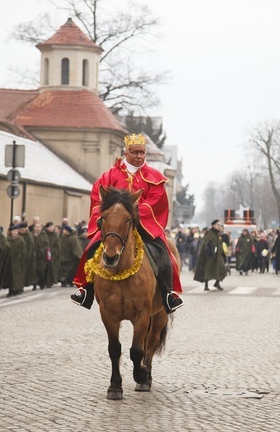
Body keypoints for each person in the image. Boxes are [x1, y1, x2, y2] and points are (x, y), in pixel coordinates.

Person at [71, 133, 183, 313]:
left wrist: (134, 213)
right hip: (115, 227)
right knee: (90, 249)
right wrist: (104, 216)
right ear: (126, 152)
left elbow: (157, 201)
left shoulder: (154, 176)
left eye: (142, 153)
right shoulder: (109, 175)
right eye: (135, 152)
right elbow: (97, 198)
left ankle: (169, 293)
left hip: (143, 226)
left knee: (164, 252)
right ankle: (86, 290)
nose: (139, 156)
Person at [193, 219, 226, 291]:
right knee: (208, 270)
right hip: (210, 256)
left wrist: (223, 254)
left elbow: (219, 245)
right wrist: (209, 253)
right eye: (218, 225)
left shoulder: (218, 235)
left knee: (222, 270)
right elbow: (205, 244)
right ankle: (206, 285)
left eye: (220, 225)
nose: (219, 226)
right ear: (213, 225)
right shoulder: (210, 234)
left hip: (218, 256)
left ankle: (217, 283)